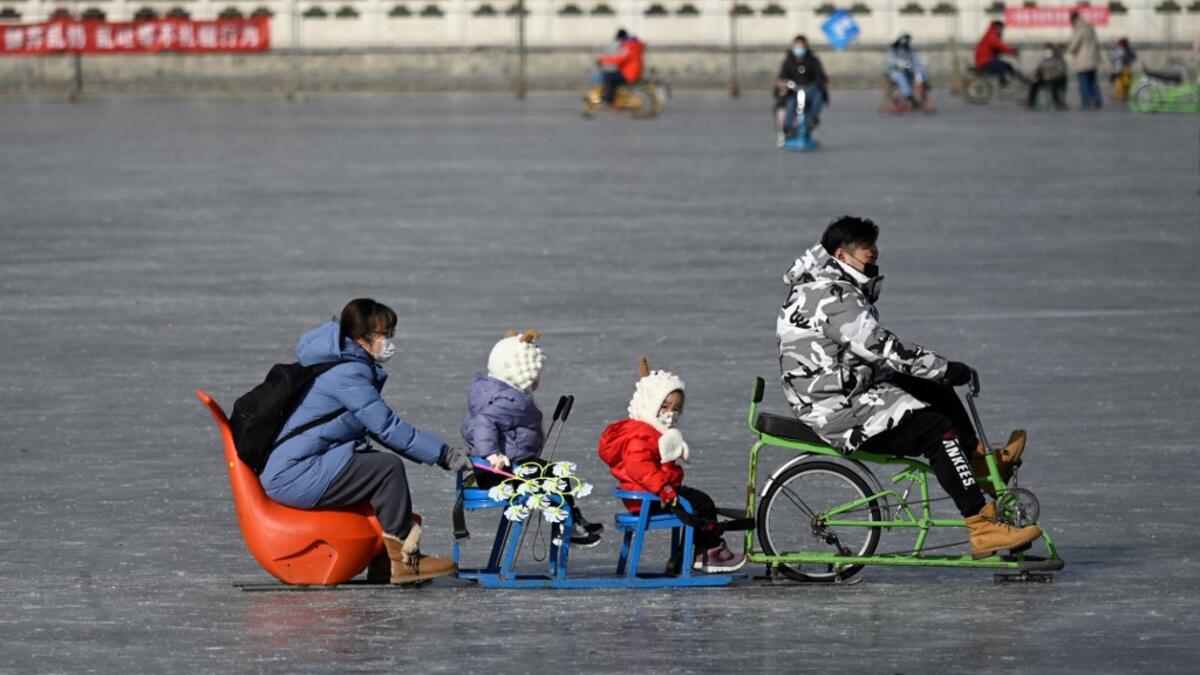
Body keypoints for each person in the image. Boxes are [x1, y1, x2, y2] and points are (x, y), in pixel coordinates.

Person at [775, 217, 1042, 559]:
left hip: (844, 391)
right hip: (838, 411)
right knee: (937, 431)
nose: (873, 260)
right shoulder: (829, 296)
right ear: (842, 255)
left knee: (933, 385)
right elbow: (884, 347)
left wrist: (937, 373)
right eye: (866, 254)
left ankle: (977, 463)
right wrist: (948, 367)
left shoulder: (824, 285)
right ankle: (982, 526)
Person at [260, 298, 469, 584]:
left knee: (372, 466)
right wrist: (443, 454)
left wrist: (441, 455)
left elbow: (376, 429)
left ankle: (382, 559)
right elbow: (387, 427)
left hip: (299, 467)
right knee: (386, 469)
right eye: (386, 335)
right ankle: (403, 559)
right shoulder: (348, 373)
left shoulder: (343, 364)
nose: (390, 342)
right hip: (296, 474)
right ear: (362, 338)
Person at [597, 357, 746, 572]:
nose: (670, 414)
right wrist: (664, 487)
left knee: (697, 504)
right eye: (665, 407)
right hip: (651, 497)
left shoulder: (653, 432)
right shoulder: (642, 434)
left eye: (676, 409)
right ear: (651, 406)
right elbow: (639, 467)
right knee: (701, 504)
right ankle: (710, 551)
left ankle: (684, 556)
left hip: (655, 493)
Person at [461, 329, 603, 547]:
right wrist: (492, 454)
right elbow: (484, 423)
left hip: (495, 469)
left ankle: (574, 517)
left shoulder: (491, 391)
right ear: (518, 371)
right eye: (534, 373)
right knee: (558, 477)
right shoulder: (512, 401)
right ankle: (570, 524)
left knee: (554, 473)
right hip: (503, 473)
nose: (537, 379)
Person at [774, 34, 828, 149]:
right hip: (793, 92)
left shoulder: (813, 60)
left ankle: (811, 120)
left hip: (809, 90)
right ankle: (788, 130)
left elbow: (821, 77)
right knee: (791, 104)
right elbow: (782, 78)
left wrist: (816, 84)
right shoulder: (788, 62)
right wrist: (784, 85)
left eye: (801, 46)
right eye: (797, 46)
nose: (799, 49)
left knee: (817, 96)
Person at [598, 28, 645, 106]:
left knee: (609, 77)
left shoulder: (630, 48)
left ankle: (608, 99)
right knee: (613, 75)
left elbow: (620, 59)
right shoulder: (635, 47)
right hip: (632, 72)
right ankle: (615, 98)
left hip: (629, 75)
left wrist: (604, 60)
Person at [1066, 11, 1102, 109]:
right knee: (1093, 81)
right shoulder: (1090, 27)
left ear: (1073, 19)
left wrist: (1069, 50)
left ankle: (1086, 102)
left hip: (1083, 60)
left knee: (1084, 82)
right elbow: (1097, 43)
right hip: (1093, 59)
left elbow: (1074, 44)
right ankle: (1097, 99)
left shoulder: (1079, 29)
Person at [884, 33, 929, 108]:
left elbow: (916, 58)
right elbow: (889, 60)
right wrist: (898, 62)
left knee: (919, 70)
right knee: (901, 78)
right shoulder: (892, 50)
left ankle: (923, 83)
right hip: (894, 71)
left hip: (907, 69)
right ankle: (908, 95)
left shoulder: (909, 50)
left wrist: (921, 62)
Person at [974, 20, 1023, 87]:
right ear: (996, 27)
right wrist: (1011, 51)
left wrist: (1011, 50)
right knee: (1000, 66)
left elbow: (1000, 47)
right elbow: (999, 46)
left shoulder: (993, 36)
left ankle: (1014, 80)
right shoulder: (991, 36)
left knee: (1008, 66)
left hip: (988, 59)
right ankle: (1003, 84)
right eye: (1000, 28)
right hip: (984, 61)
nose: (1001, 30)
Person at [1028, 43, 1068, 110]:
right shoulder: (1043, 60)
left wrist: (1051, 75)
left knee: (1053, 85)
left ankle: (1057, 103)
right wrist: (1037, 75)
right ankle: (1031, 103)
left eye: (1049, 50)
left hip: (1056, 79)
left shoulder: (1058, 60)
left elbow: (1061, 72)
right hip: (1044, 78)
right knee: (1034, 84)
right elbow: (1039, 69)